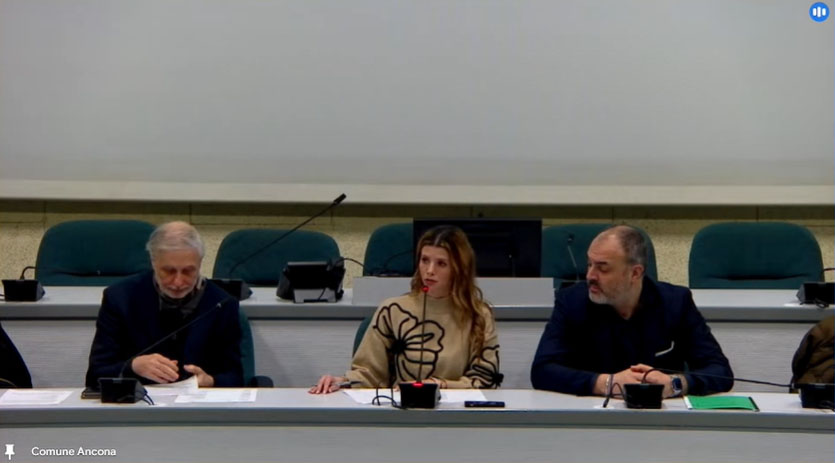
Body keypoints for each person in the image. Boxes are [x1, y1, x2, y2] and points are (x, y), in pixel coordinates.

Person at [531, 225, 733, 398]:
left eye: (603, 268)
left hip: (661, 416)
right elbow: (542, 371)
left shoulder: (675, 302)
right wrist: (606, 383)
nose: (590, 276)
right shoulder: (572, 301)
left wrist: (674, 384)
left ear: (635, 273)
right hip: (591, 414)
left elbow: (720, 371)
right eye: (589, 264)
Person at [310, 225, 502, 394]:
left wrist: (439, 385)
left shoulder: (479, 315)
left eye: (441, 263)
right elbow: (369, 374)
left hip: (458, 416)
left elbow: (485, 380)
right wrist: (342, 382)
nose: (430, 270)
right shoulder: (393, 310)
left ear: (459, 269)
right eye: (424, 260)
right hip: (402, 412)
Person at [85, 221, 242, 389]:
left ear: (200, 263)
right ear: (153, 262)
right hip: (139, 401)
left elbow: (236, 378)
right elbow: (95, 376)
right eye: (169, 271)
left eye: (188, 271)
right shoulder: (120, 298)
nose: (178, 282)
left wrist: (210, 381)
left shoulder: (222, 303)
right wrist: (133, 366)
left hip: (197, 401)